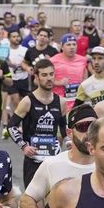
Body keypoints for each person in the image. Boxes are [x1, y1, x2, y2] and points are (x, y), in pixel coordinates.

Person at [10, 58, 68, 188]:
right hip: (33, 159)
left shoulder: (61, 102)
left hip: (52, 159)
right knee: (33, 201)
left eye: (51, 74)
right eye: (44, 75)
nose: (49, 78)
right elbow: (11, 126)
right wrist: (24, 146)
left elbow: (64, 129)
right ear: (36, 77)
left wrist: (65, 142)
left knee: (53, 201)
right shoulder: (27, 101)